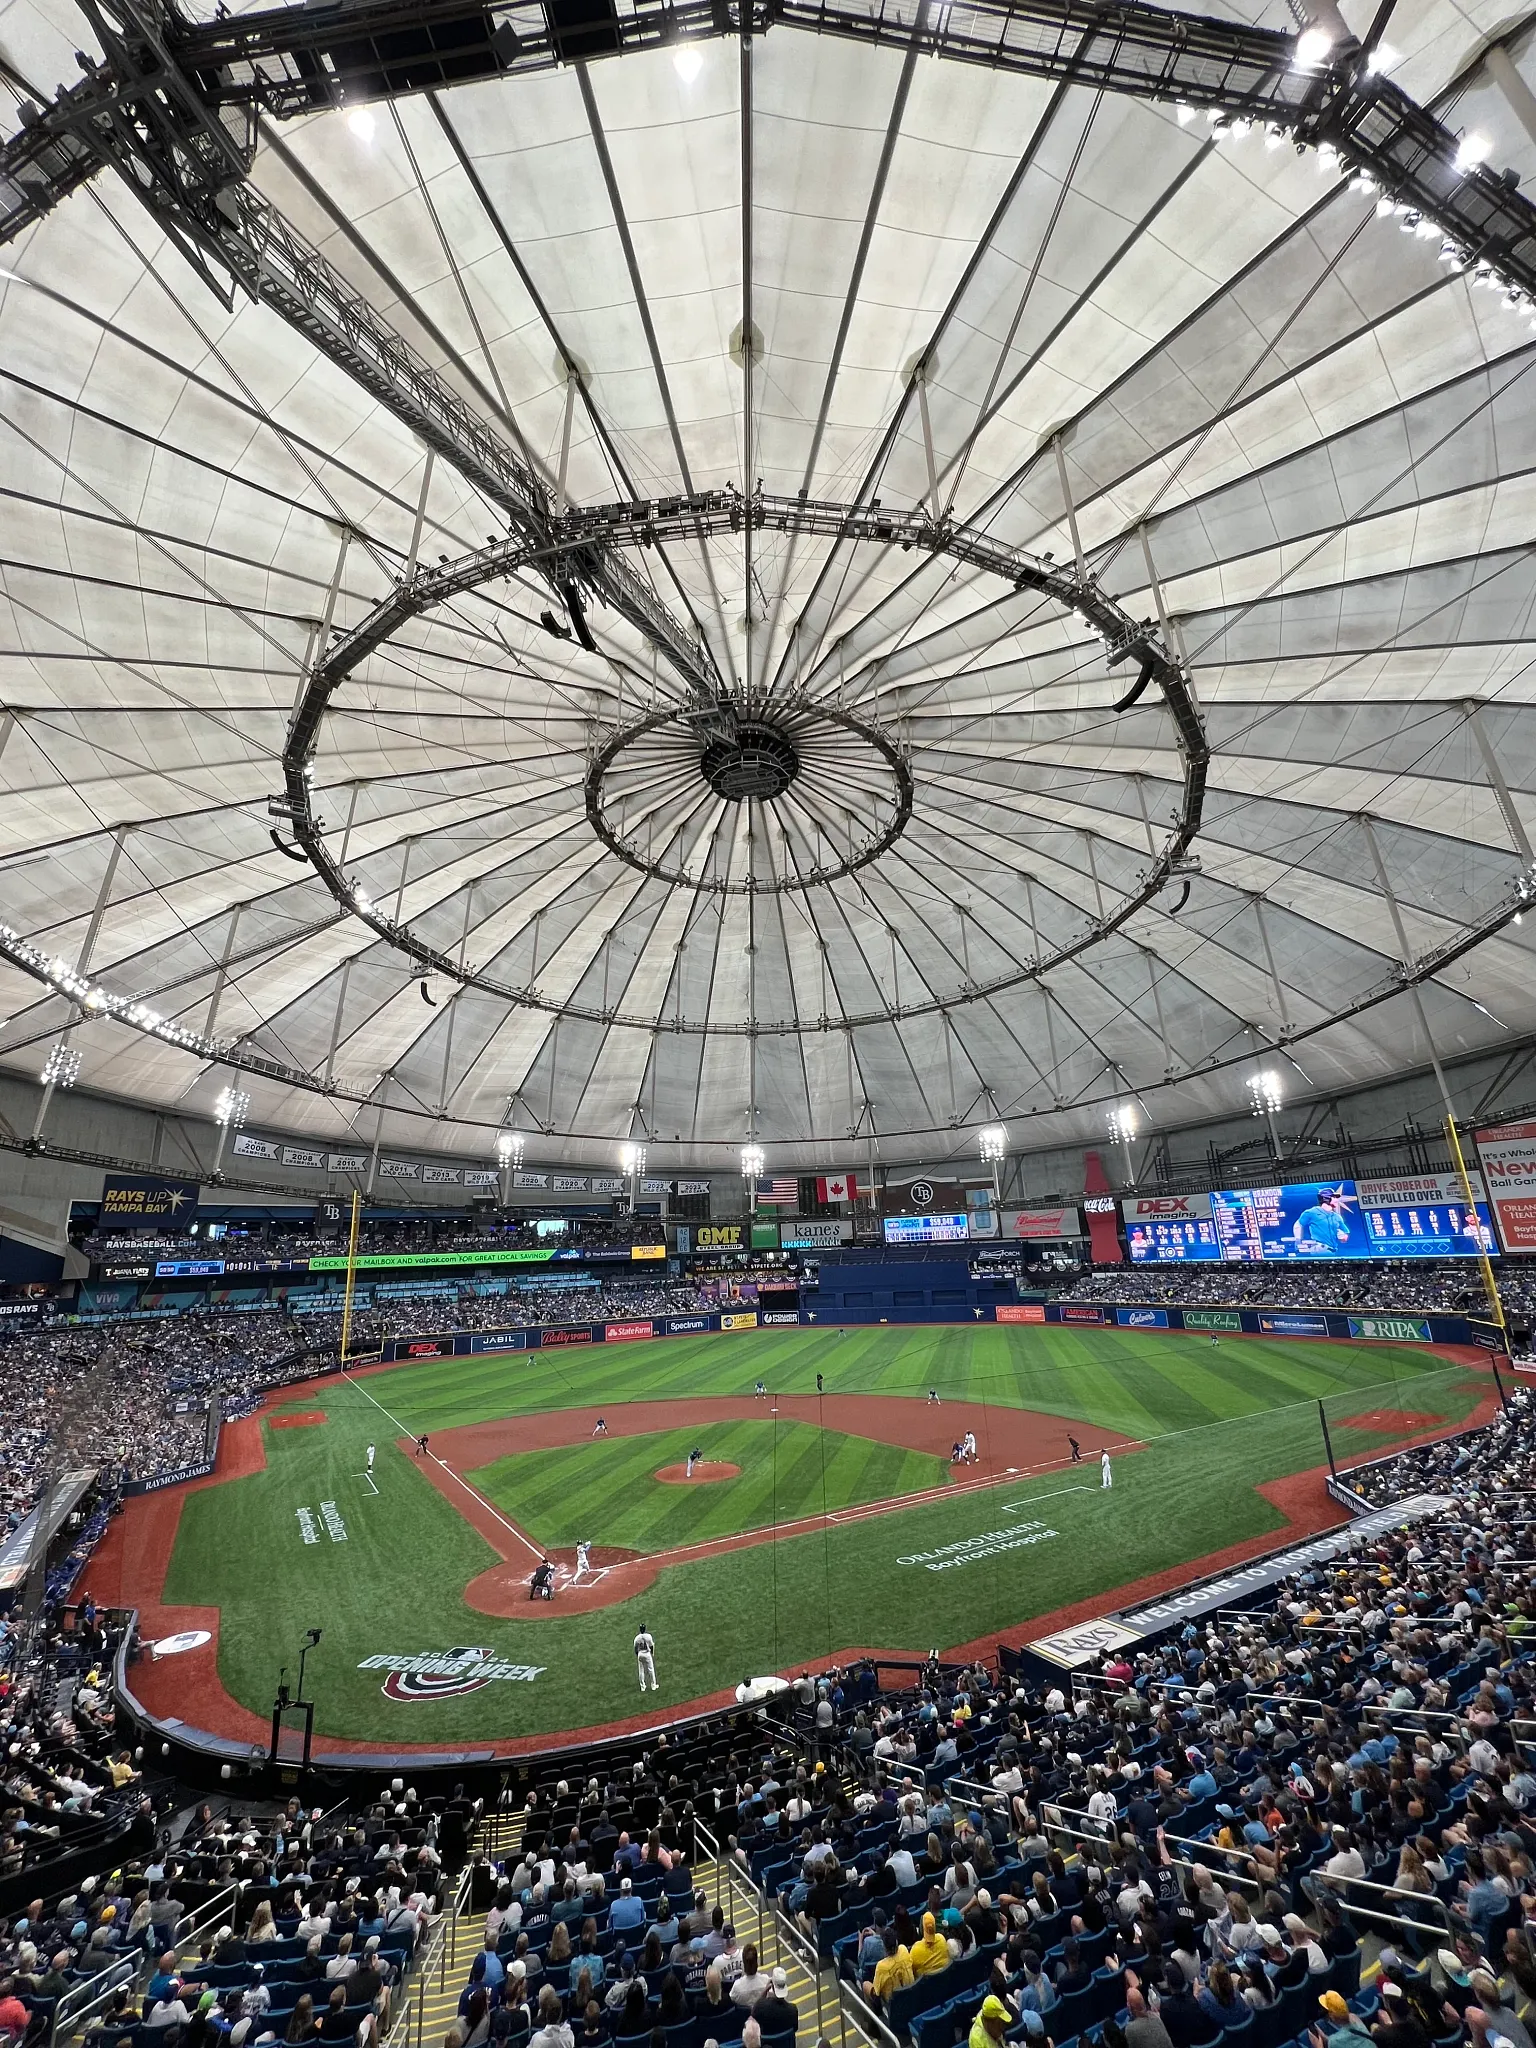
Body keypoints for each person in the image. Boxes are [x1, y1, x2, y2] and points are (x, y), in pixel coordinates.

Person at [635, 1625, 657, 1692]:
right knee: (651, 1669)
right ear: (645, 1629)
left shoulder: (637, 1638)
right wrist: (652, 1653)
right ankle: (653, 1686)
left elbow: (635, 1648)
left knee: (641, 1670)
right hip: (647, 1654)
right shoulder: (648, 1636)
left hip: (640, 1654)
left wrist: (638, 1655)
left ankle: (642, 1687)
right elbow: (652, 1646)